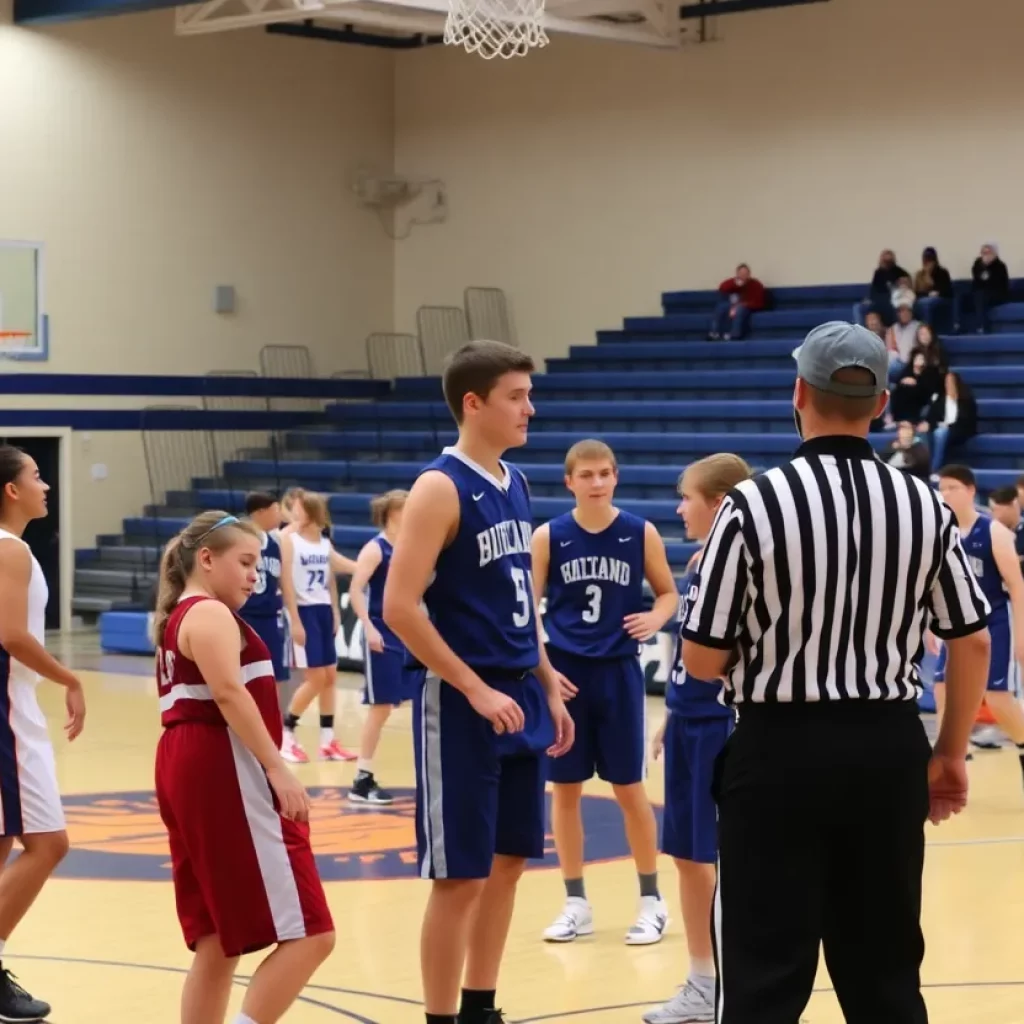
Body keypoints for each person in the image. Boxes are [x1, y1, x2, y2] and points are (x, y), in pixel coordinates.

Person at [681, 321, 992, 1024]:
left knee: (763, 981)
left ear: (799, 393)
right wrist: (948, 753)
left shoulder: (751, 504)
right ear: (881, 404)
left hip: (777, 754)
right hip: (886, 751)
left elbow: (701, 659)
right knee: (886, 978)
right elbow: (971, 641)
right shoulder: (925, 504)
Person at [383, 339, 574, 1024]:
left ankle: (480, 1008)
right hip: (463, 701)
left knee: (509, 862)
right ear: (473, 403)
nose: (530, 408)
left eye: (529, 395)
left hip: (518, 690)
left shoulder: (514, 481)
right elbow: (399, 607)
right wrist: (474, 687)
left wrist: (546, 679)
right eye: (516, 396)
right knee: (460, 875)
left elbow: (520, 596)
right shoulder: (439, 487)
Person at [153, 510, 335, 1024]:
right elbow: (229, 694)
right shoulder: (209, 613)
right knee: (313, 933)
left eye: (259, 565)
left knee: (216, 939)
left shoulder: (178, 615)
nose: (256, 575)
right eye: (246, 562)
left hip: (186, 761)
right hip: (221, 764)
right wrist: (277, 768)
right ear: (206, 559)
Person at [533, 439, 678, 946]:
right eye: (586, 475)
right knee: (565, 791)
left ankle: (652, 900)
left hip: (618, 673)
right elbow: (525, 611)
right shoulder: (549, 536)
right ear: (568, 481)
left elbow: (668, 592)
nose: (596, 482)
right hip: (566, 676)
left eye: (604, 473)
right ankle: (576, 902)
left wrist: (656, 618)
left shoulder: (640, 531)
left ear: (616, 477)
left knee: (629, 790)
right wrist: (543, 671)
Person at [644, 453, 752, 1024]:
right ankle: (703, 982)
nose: (680, 508)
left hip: (723, 723)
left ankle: (741, 986)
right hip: (689, 719)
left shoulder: (744, 561)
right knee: (688, 859)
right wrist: (672, 711)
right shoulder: (698, 562)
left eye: (687, 498)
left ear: (719, 502)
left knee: (727, 863)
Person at [0, 446, 86, 1022]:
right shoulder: (12, 550)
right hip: (6, 708)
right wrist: (69, 677)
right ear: (11, 490)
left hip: (10, 703)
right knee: (49, 843)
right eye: (35, 475)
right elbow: (11, 634)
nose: (45, 484)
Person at [930, 466, 1024, 785]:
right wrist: (930, 626)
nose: (945, 494)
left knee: (998, 699)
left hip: (995, 620)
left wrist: (1021, 634)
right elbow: (932, 583)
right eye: (942, 488)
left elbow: (1017, 586)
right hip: (959, 624)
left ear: (971, 491)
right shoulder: (941, 532)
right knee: (942, 689)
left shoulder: (994, 531)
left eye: (952, 487)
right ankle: (949, 764)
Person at [346, 489, 424, 804]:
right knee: (381, 707)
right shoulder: (375, 548)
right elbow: (355, 590)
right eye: (406, 508)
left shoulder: (409, 546)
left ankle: (428, 770)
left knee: (418, 701)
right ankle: (361, 779)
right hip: (381, 633)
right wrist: (368, 626)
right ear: (390, 513)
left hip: (406, 634)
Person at [280, 492, 352, 763]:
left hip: (322, 610)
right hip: (303, 611)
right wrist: (295, 619)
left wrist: (335, 611)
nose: (294, 513)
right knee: (316, 679)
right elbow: (286, 583)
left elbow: (332, 577)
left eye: (298, 509)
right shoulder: (289, 540)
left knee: (330, 676)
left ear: (311, 512)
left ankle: (327, 741)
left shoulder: (323, 542)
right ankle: (286, 733)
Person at [238, 492, 295, 687]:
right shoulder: (239, 539)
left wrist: (295, 619)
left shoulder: (276, 543)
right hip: (243, 618)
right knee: (243, 677)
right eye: (277, 510)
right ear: (261, 512)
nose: (280, 516)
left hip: (270, 619)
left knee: (272, 677)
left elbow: (285, 583)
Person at [923, 372, 978, 472]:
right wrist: (929, 424)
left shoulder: (966, 400)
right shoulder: (940, 400)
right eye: (946, 382)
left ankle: (934, 470)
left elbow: (967, 421)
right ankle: (922, 467)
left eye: (951, 382)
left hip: (958, 430)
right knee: (925, 433)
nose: (948, 385)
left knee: (940, 433)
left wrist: (948, 426)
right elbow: (931, 417)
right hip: (940, 427)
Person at [708, 265, 766, 341]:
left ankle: (734, 335)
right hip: (733, 304)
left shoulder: (756, 284)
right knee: (721, 307)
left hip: (748, 306)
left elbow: (758, 302)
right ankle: (714, 333)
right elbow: (722, 288)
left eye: (745, 273)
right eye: (741, 273)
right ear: (737, 274)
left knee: (739, 309)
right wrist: (734, 284)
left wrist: (742, 305)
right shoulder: (733, 283)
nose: (743, 276)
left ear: (749, 274)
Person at [970, 242, 1010, 333]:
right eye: (983, 253)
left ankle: (981, 327)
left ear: (994, 254)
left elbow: (992, 283)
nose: (986, 256)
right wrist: (983, 266)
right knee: (961, 294)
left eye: (988, 253)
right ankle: (957, 325)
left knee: (980, 296)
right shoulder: (978, 264)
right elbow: (977, 279)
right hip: (980, 293)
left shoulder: (1000, 266)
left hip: (997, 294)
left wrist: (986, 269)